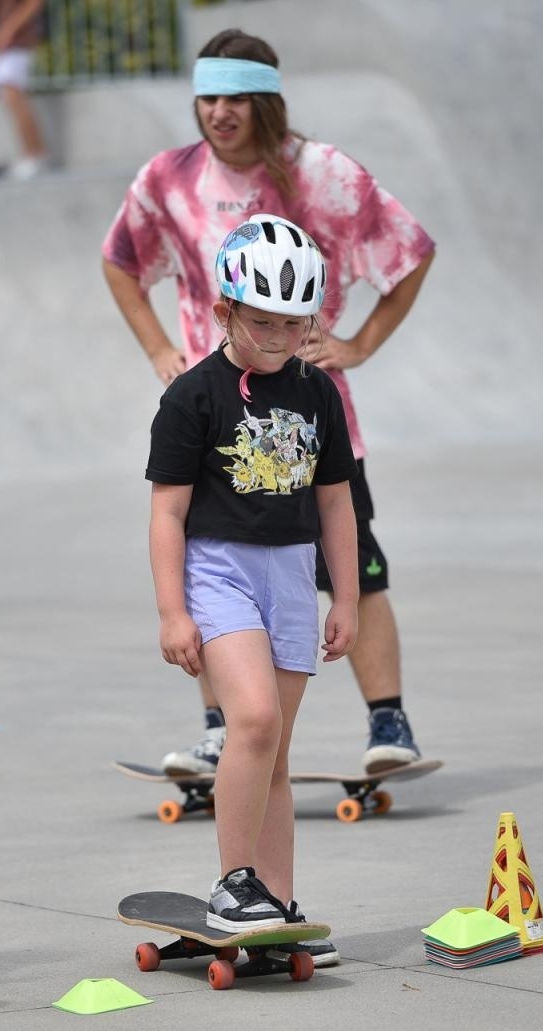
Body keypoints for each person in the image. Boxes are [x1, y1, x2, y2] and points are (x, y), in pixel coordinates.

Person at [104, 29, 437, 781]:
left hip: (310, 416)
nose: (220, 114)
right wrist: (160, 348)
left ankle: (389, 718)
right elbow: (121, 261)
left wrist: (357, 345)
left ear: (266, 102)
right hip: (214, 412)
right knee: (211, 564)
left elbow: (410, 250)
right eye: (208, 98)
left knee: (356, 563)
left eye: (236, 99)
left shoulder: (321, 175)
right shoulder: (168, 179)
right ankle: (222, 725)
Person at [146, 213, 358, 937]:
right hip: (219, 573)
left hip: (294, 577)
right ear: (223, 310)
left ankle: (277, 901)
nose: (277, 338)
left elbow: (335, 502)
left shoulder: (318, 393)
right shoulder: (192, 398)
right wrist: (173, 612)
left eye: (293, 324)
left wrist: (348, 598)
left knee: (275, 754)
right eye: (261, 321)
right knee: (254, 720)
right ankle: (234, 884)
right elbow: (168, 513)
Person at [0, 0, 49, 179]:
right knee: (11, 97)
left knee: (15, 97)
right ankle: (32, 153)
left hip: (18, 43)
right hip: (12, 43)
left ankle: (35, 154)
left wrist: (9, 29)